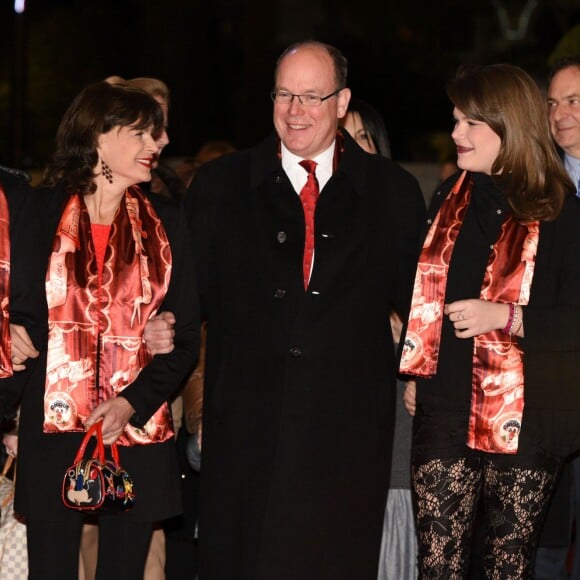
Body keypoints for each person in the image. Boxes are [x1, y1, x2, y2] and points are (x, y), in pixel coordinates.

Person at [186, 40, 425, 580]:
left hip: (346, 444)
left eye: (312, 97)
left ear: (342, 103)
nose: (295, 111)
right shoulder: (220, 187)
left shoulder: (393, 193)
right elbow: (184, 303)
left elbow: (420, 312)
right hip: (245, 437)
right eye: (285, 95)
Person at [1, 81, 199, 579]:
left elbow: (187, 338)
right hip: (49, 429)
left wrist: (132, 400)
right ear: (100, 135)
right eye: (143, 133)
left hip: (135, 424)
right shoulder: (37, 211)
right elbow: (15, 309)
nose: (159, 143)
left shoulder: (168, 223)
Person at [400, 63, 579, 579]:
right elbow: (424, 296)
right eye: (454, 120)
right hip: (444, 407)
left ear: (508, 124)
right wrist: (416, 369)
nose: (455, 134)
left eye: (469, 123)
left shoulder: (562, 212)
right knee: (437, 566)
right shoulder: (446, 200)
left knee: (507, 567)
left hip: (526, 414)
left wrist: (505, 316)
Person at [342, 98, 417, 579]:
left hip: (393, 453)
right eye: (342, 138)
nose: (352, 149)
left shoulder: (407, 216)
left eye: (363, 137)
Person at [534, 54, 580, 579]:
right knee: (543, 536)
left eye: (573, 101)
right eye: (552, 103)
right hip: (547, 385)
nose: (560, 113)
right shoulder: (536, 186)